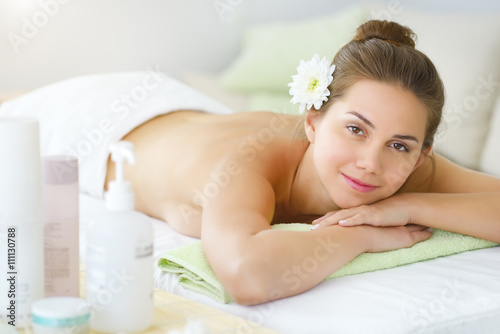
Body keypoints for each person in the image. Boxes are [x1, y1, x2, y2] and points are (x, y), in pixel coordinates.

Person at [105, 20, 500, 305]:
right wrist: (361, 235)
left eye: (398, 146)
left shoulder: (409, 170)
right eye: (356, 130)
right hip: (108, 123)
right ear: (313, 121)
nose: (370, 164)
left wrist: (406, 206)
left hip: (200, 119)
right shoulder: (248, 164)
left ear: (421, 156)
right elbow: (247, 275)